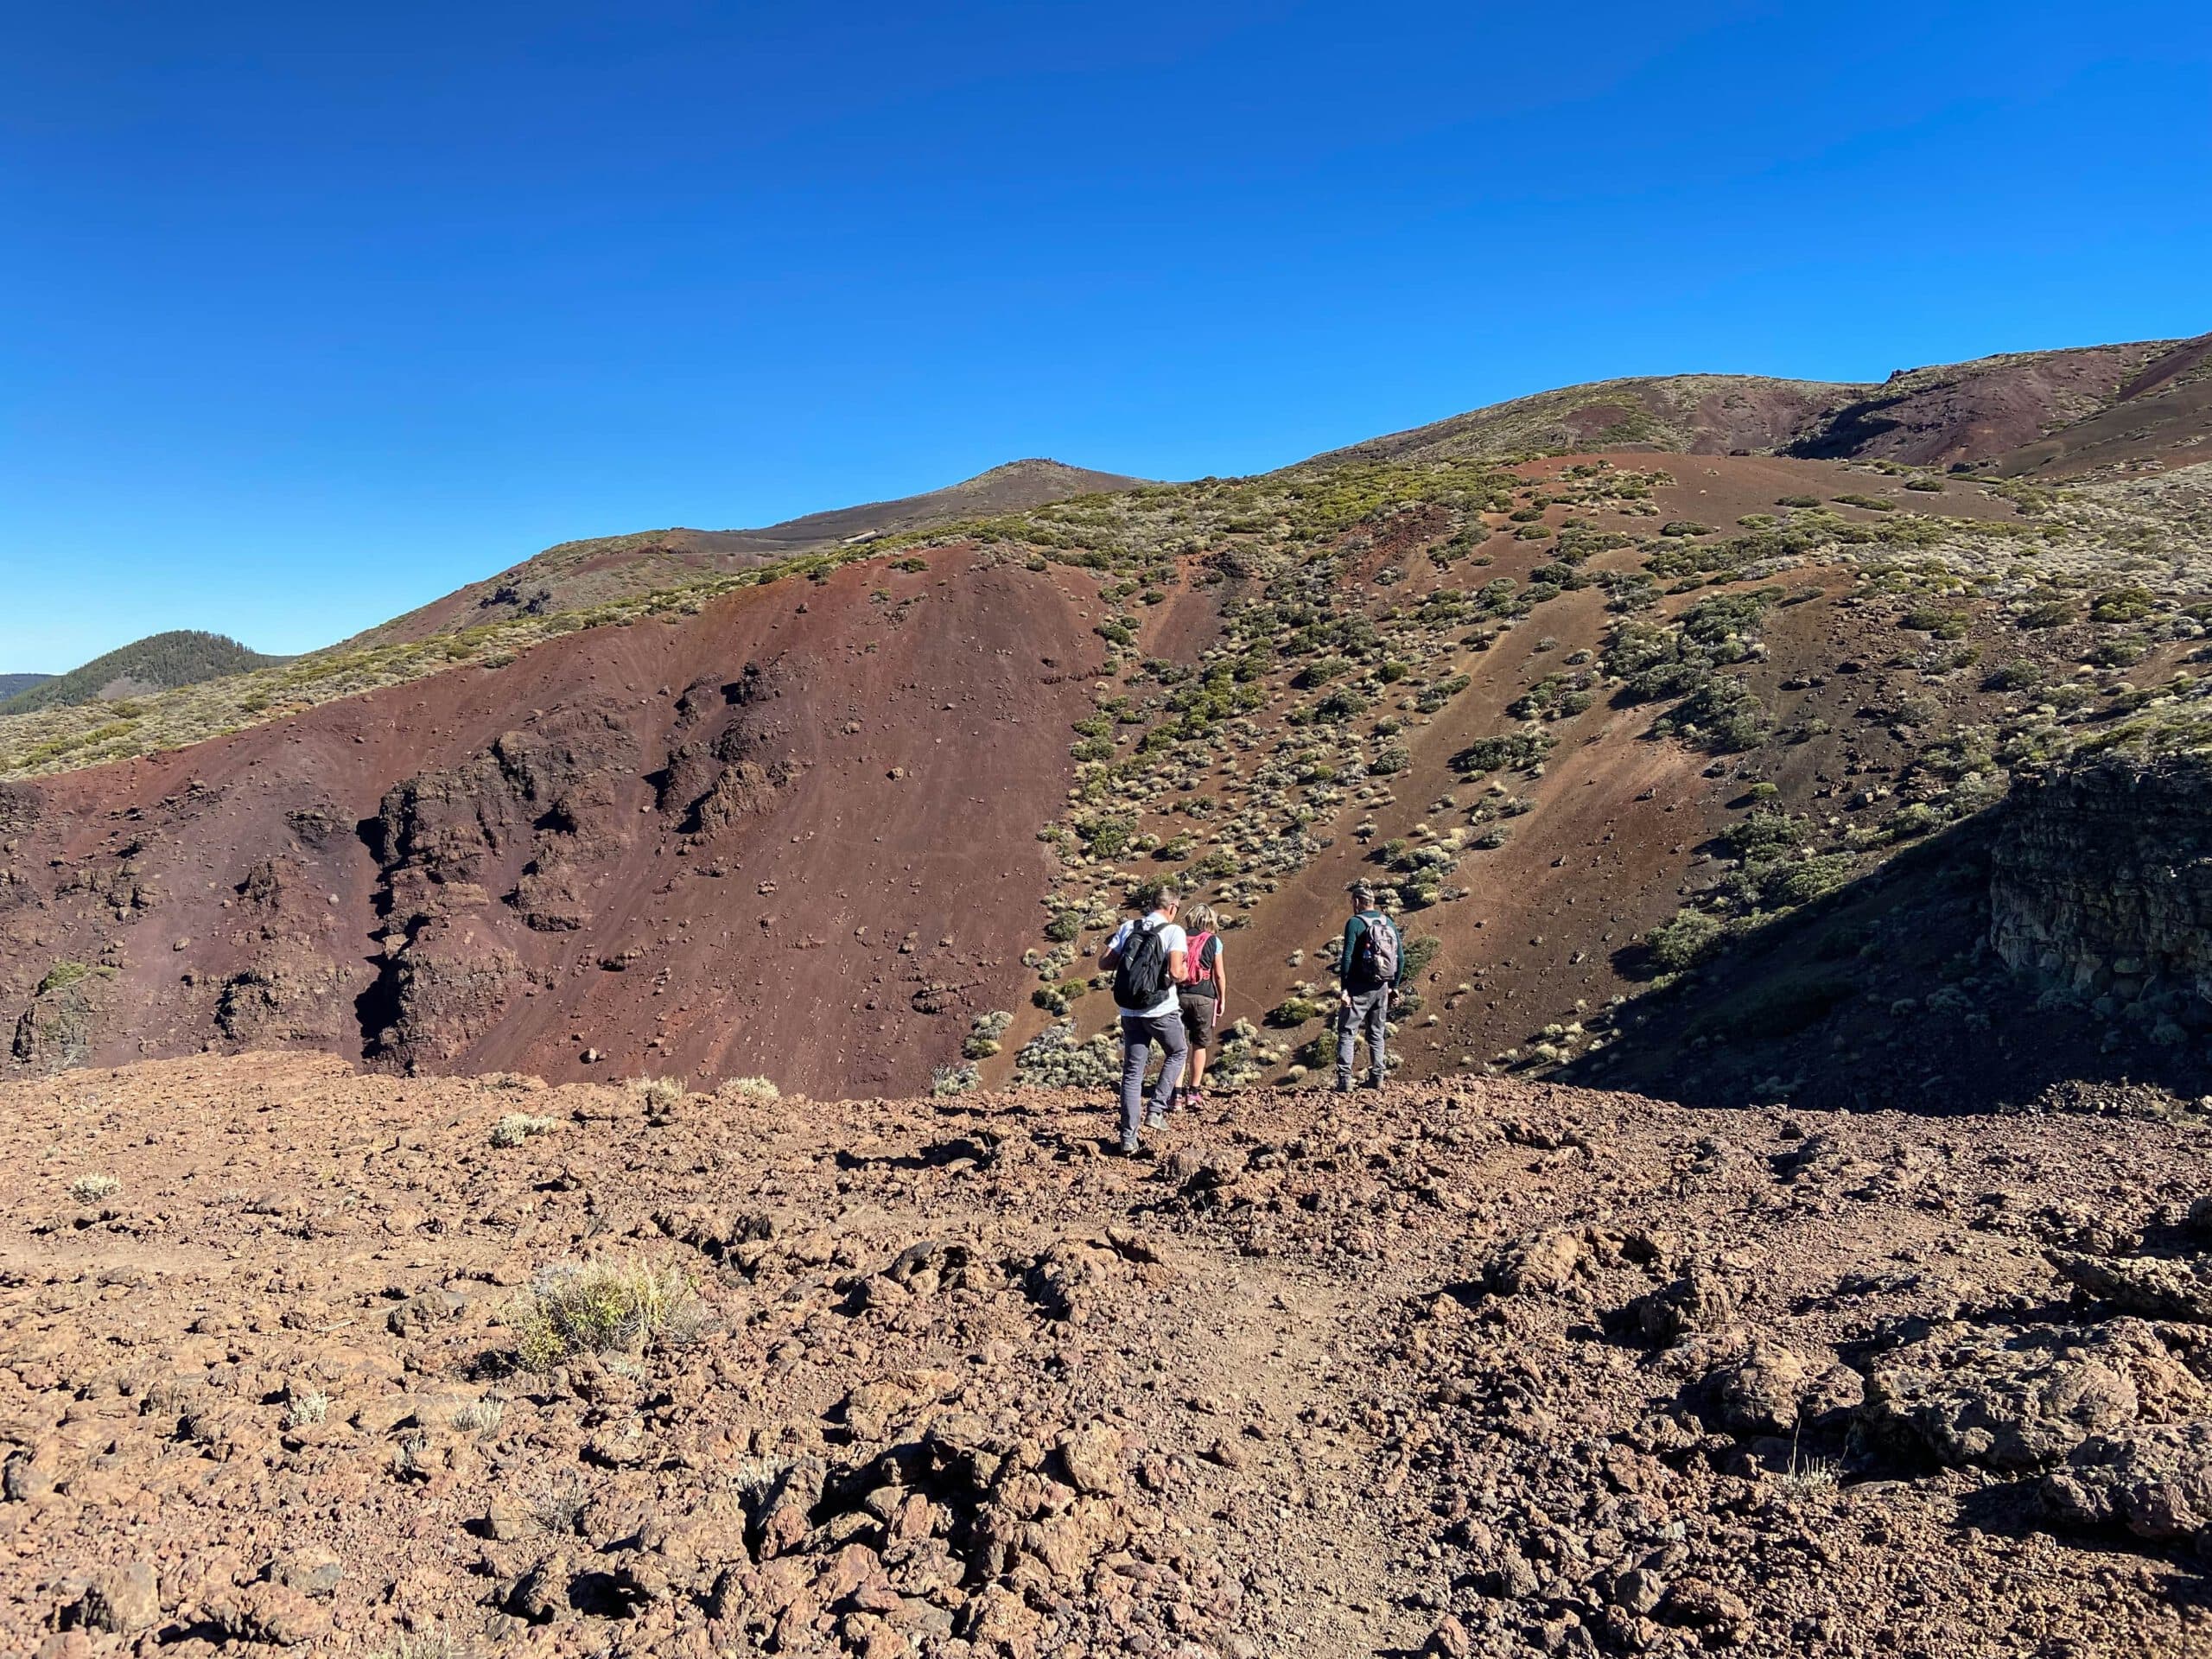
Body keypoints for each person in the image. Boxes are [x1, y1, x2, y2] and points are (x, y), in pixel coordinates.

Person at [1100, 888, 1190, 1154]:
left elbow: (1104, 963)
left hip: (1130, 1012)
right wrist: (1184, 972)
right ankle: (1156, 1109)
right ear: (1173, 907)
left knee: (1132, 1073)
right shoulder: (1174, 932)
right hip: (1161, 1009)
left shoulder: (1130, 926)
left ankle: (1128, 1138)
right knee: (1178, 1051)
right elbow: (1175, 972)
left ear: (1151, 905)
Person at [1334, 880, 1402, 1092]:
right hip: (1382, 986)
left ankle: (1345, 1080)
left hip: (1359, 988)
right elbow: (1400, 956)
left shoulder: (1355, 923)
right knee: (1377, 1032)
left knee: (1347, 1031)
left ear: (1357, 902)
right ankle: (1377, 1077)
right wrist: (1394, 985)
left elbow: (1347, 957)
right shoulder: (1388, 922)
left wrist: (1345, 988)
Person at [1175, 904, 1228, 1109]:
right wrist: (1222, 999)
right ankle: (1194, 1092)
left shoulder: (1178, 937)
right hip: (1204, 997)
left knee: (1177, 1047)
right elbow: (1219, 974)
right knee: (1199, 1044)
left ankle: (1176, 1095)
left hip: (1177, 995)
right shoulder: (1214, 941)